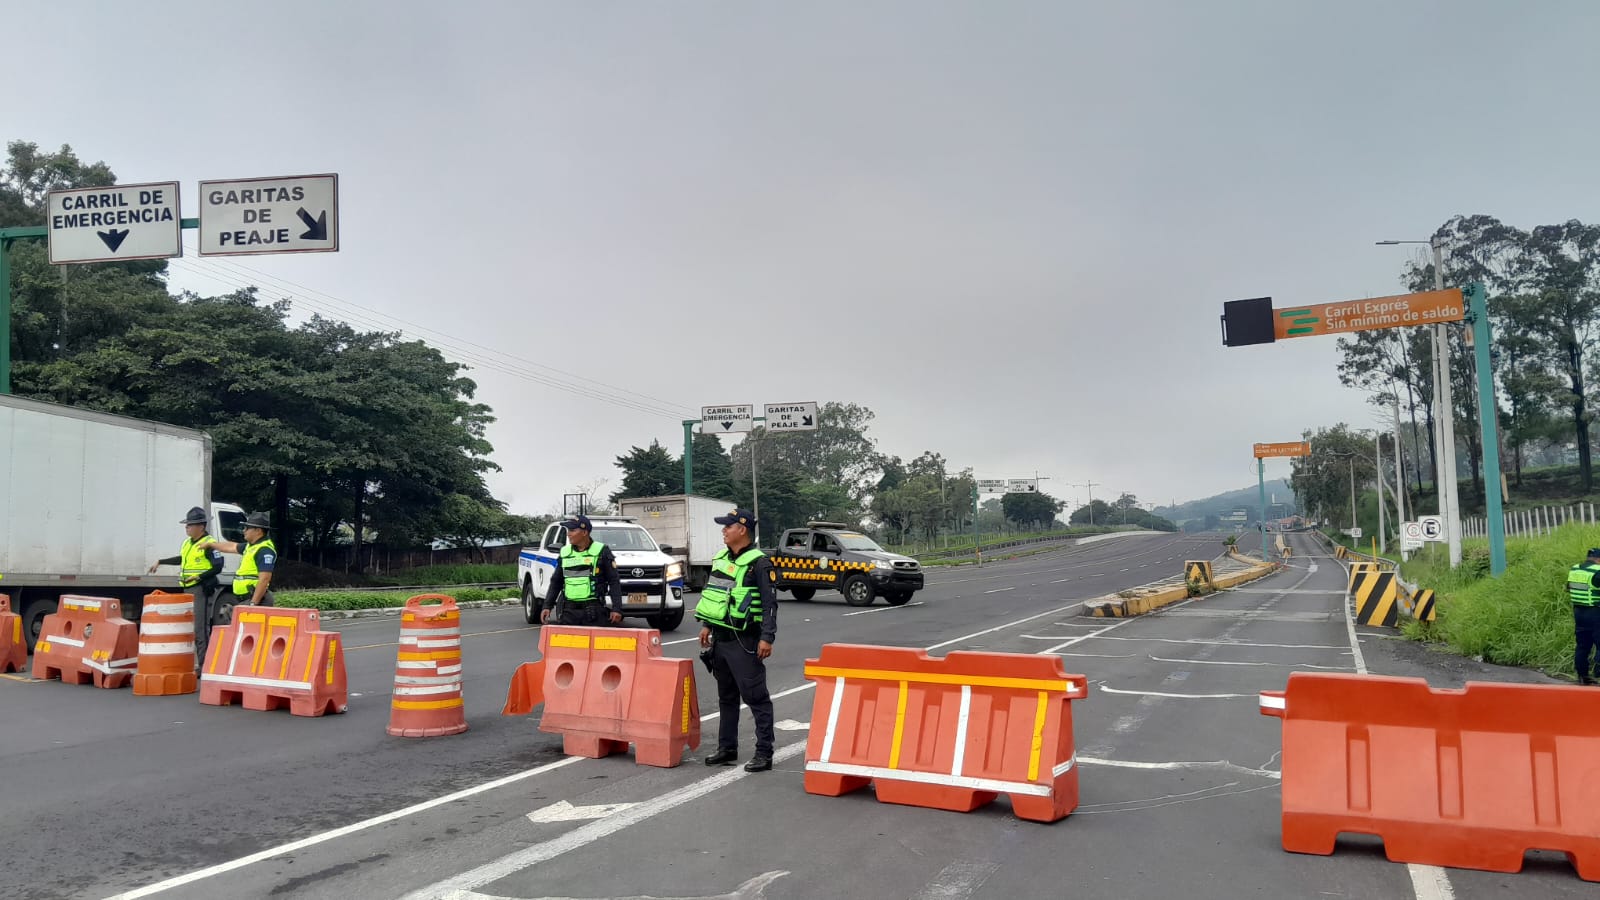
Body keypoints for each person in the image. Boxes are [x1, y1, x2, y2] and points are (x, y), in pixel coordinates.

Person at [695, 508, 777, 772]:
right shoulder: (721, 559)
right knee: (726, 697)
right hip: (720, 639)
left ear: (742, 529)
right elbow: (715, 595)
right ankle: (726, 748)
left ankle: (764, 753)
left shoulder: (760, 563)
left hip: (745, 640)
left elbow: (770, 605)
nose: (723, 530)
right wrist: (707, 625)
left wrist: (767, 637)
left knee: (756, 697)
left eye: (727, 526)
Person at [148, 506, 225, 664]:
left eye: (190, 525)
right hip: (188, 588)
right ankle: (201, 662)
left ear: (201, 527)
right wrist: (161, 562)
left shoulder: (209, 543)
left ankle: (205, 665)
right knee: (192, 627)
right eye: (187, 524)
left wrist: (199, 576)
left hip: (201, 588)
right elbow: (182, 559)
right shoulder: (188, 543)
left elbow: (218, 566)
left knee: (200, 628)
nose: (186, 527)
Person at [541, 514, 624, 627]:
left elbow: (614, 581)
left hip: (594, 611)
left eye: (572, 530)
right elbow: (556, 582)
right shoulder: (565, 553)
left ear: (585, 532)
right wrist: (547, 606)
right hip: (569, 611)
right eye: (568, 530)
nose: (568, 534)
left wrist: (617, 608)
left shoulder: (601, 551)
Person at [199, 512, 278, 611]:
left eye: (247, 528)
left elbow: (264, 579)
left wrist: (253, 604)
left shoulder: (264, 550)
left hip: (256, 601)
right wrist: (211, 545)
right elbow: (231, 546)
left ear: (258, 530)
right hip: (247, 600)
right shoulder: (251, 546)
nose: (244, 531)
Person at [1567, 547, 1600, 685]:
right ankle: (1598, 673)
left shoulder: (1575, 569)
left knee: (1582, 645)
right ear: (1598, 559)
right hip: (1595, 612)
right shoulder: (1597, 571)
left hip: (1579, 613)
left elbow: (1568, 587)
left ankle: (1582, 676)